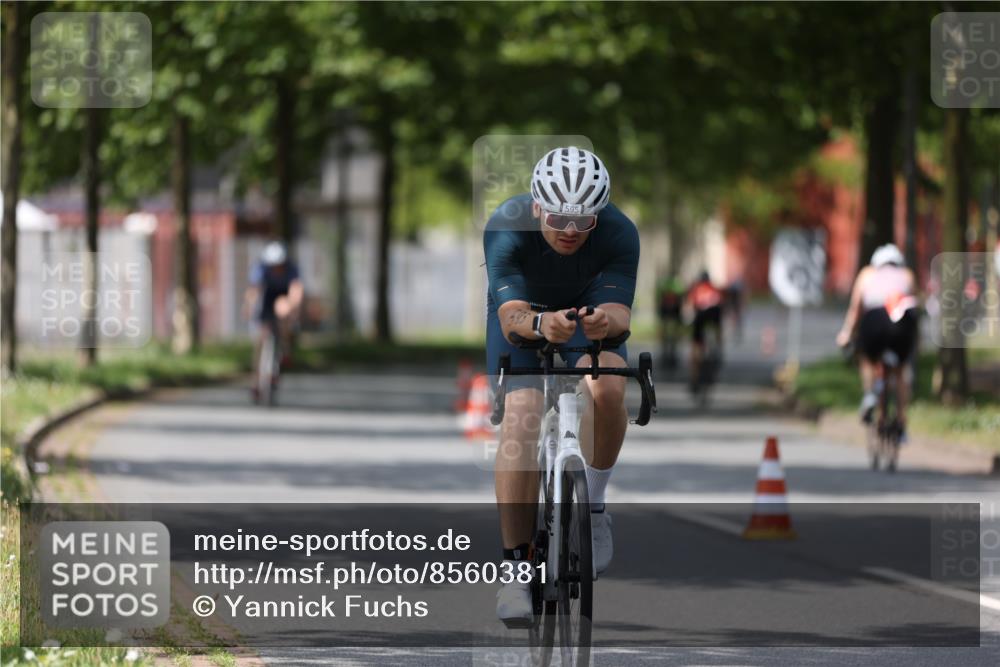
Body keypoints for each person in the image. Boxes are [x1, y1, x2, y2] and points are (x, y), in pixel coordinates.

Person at [485, 146, 639, 626]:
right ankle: (515, 568)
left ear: (599, 214)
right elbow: (510, 317)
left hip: (589, 314)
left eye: (583, 222)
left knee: (609, 389)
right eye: (556, 219)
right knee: (521, 415)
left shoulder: (619, 231)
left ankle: (592, 509)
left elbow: (620, 314)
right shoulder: (506, 225)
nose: (570, 231)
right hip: (526, 316)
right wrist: (537, 323)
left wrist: (599, 321)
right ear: (536, 208)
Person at [836, 243, 918, 442]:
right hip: (901, 323)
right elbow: (915, 309)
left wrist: (846, 333)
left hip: (875, 320)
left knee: (866, 358)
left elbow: (856, 309)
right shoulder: (907, 275)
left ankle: (870, 394)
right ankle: (901, 423)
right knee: (900, 371)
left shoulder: (866, 274)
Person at [242, 241, 304, 400]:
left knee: (283, 311)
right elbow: (254, 290)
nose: (277, 268)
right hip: (266, 298)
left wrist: (293, 307)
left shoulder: (291, 269)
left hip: (283, 296)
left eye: (280, 265)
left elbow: (296, 291)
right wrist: (248, 306)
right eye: (273, 265)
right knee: (260, 339)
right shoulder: (261, 269)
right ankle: (256, 382)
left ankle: (285, 348)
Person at [686, 270, 724, 391]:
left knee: (696, 346)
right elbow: (721, 305)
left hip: (700, 317)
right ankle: (718, 348)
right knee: (718, 329)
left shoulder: (696, 289)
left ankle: (694, 378)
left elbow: (689, 306)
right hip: (714, 314)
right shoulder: (714, 288)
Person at [656, 274, 686, 370]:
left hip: (668, 311)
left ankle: (668, 349)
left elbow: (660, 299)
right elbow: (681, 299)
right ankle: (669, 349)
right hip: (672, 311)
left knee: (668, 333)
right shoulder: (677, 285)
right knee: (671, 333)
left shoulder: (665, 285)